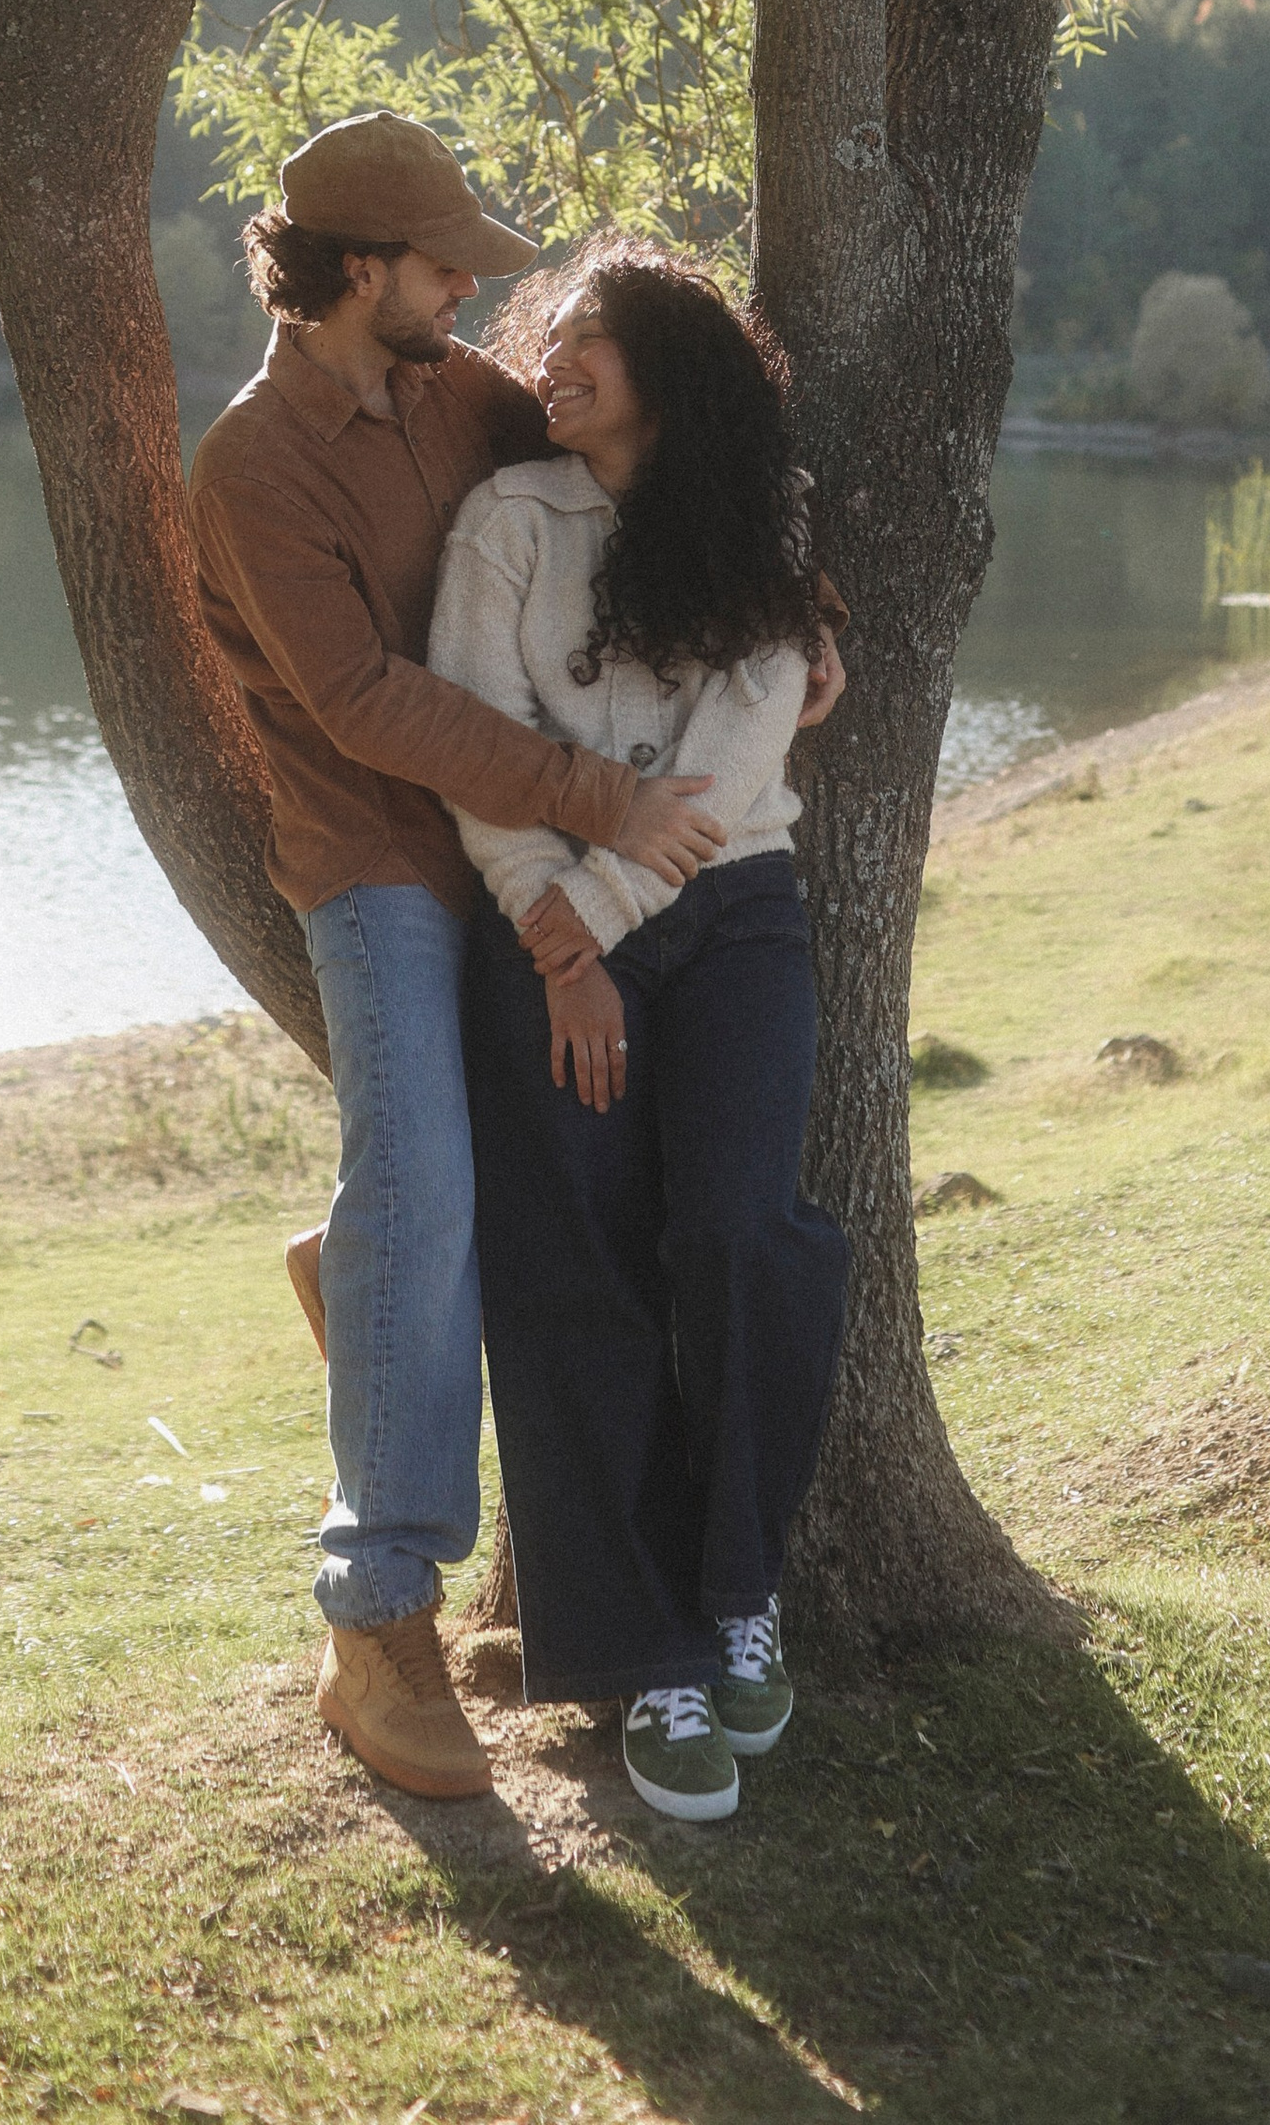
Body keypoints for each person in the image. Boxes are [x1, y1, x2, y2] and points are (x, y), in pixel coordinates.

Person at [188, 115, 747, 1806]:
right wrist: (601, 798)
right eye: (445, 268)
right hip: (383, 864)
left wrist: (805, 625)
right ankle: (376, 1617)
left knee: (534, 1198)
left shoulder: (465, 398)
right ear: (362, 272)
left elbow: (658, 474)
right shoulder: (253, 468)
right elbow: (365, 703)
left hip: (529, 855)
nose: (469, 295)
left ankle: (367, 1267)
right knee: (430, 1186)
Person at [427, 239, 851, 1825]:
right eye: (551, 337)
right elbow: (477, 747)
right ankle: (647, 1659)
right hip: (540, 919)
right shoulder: (506, 523)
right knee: (575, 1276)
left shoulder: (758, 515)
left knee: (743, 1233)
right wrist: (558, 937)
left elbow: (741, 748)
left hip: (730, 918)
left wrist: (588, 929)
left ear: (667, 371)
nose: (554, 362)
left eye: (587, 341)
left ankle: (739, 1592)